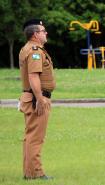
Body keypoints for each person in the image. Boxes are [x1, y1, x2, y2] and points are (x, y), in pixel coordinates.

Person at [18, 19, 56, 180]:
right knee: (36, 138)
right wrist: (40, 99)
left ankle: (29, 173)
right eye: (43, 31)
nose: (46, 33)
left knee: (30, 137)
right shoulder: (34, 51)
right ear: (35, 34)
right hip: (36, 99)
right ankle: (36, 173)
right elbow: (33, 76)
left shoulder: (28, 48)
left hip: (32, 97)